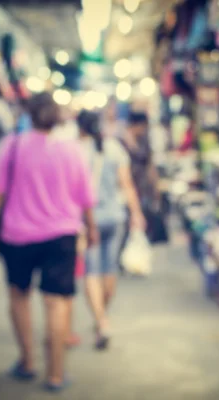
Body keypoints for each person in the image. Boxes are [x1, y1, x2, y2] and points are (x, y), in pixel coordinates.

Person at [0, 92, 98, 392]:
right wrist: (92, 227)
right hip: (61, 235)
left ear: (28, 114)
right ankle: (56, 373)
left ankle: (28, 361)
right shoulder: (71, 149)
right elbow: (86, 197)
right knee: (56, 302)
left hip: (17, 235)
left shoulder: (13, 145)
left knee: (19, 296)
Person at [77, 110, 145, 349]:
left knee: (91, 272)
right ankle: (102, 317)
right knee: (109, 268)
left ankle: (101, 320)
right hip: (115, 217)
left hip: (88, 220)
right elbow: (126, 184)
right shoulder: (114, 148)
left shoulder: (77, 151)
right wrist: (136, 213)